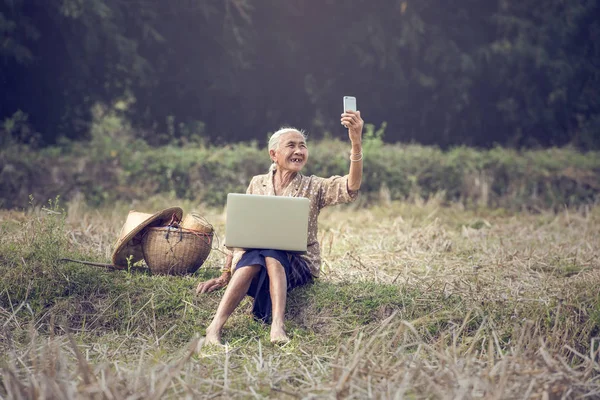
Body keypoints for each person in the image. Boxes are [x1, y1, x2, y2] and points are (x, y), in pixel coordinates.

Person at [196, 110, 364, 344]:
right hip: (254, 264)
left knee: (273, 252)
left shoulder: (314, 186)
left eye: (302, 146)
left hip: (297, 265)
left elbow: (351, 185)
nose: (298, 151)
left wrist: (356, 142)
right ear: (274, 154)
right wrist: (225, 274)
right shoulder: (258, 182)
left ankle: (277, 326)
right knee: (256, 253)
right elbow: (240, 231)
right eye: (291, 146)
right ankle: (214, 328)